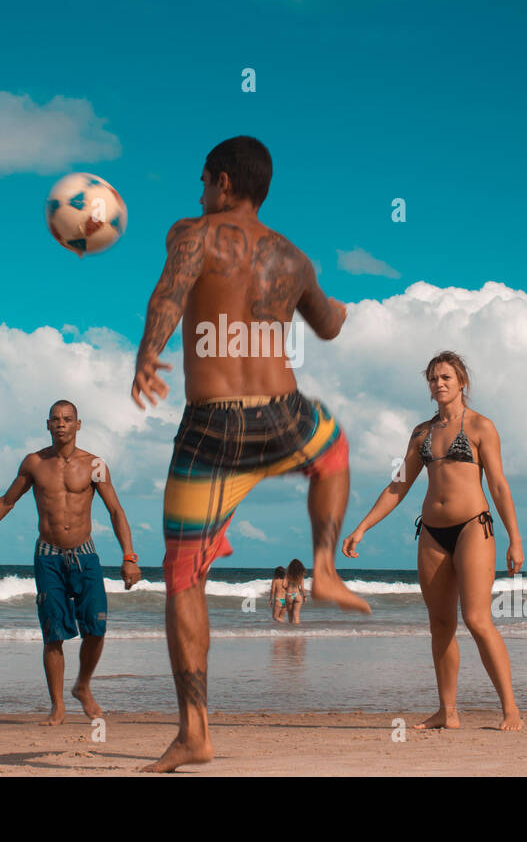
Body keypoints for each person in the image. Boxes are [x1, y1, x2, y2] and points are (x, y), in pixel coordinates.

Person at [131, 135, 370, 772]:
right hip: (282, 418)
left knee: (183, 580)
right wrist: (340, 310)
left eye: (204, 180)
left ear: (225, 185)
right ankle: (323, 566)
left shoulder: (195, 232)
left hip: (211, 430)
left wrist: (148, 353)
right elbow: (327, 323)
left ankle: (196, 732)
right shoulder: (293, 258)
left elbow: (169, 296)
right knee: (335, 446)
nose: (200, 193)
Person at [342, 351, 525, 732]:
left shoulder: (480, 426)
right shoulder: (420, 433)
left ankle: (510, 709)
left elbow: (498, 485)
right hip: (431, 533)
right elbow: (398, 485)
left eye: (445, 377)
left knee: (476, 619)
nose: (438, 384)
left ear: (462, 382)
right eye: (432, 378)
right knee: (440, 623)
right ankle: (448, 711)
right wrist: (362, 527)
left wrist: (514, 539)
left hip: (474, 526)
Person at [0, 400, 141, 725]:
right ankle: (57, 706)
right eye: (55, 419)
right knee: (53, 633)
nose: (61, 424)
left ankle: (83, 686)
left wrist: (129, 556)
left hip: (85, 553)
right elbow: (7, 502)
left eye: (67, 419)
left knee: (96, 627)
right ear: (47, 425)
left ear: (78, 425)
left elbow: (116, 511)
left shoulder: (94, 465)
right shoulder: (34, 463)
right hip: (48, 556)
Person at [284, 558, 308, 624]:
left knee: (290, 616)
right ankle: (298, 631)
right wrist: (305, 596)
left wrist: (287, 589)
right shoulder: (301, 575)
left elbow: (284, 585)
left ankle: (291, 631)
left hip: (289, 595)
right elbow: (302, 588)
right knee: (296, 616)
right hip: (297, 595)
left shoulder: (287, 574)